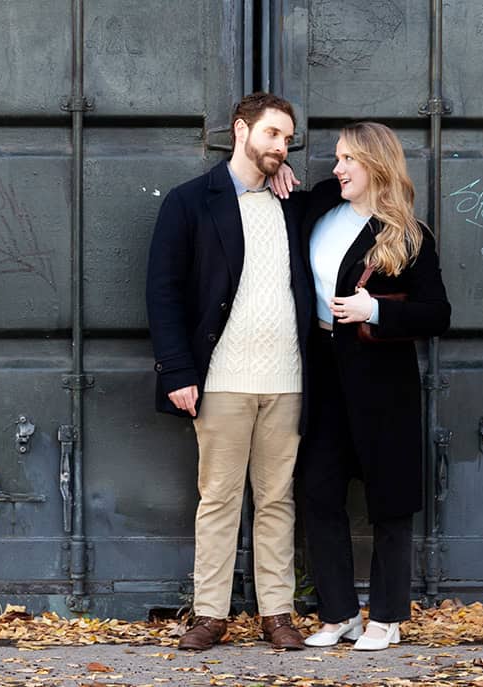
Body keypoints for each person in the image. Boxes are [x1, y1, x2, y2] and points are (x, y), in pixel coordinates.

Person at [272, 122, 450, 651]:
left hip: (382, 381)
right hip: (323, 372)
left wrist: (375, 310)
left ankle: (388, 616)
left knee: (389, 499)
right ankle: (339, 613)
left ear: (374, 164)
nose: (337, 167)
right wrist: (278, 167)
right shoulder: (318, 211)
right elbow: (289, 198)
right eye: (336, 157)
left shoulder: (408, 234)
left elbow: (437, 314)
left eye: (347, 158)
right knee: (318, 491)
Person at [146, 92, 313, 651]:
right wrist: (177, 370)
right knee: (217, 498)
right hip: (220, 378)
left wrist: (283, 169)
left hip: (286, 379)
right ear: (241, 130)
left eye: (288, 140)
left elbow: (355, 186)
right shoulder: (191, 201)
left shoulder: (293, 202)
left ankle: (277, 614)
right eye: (272, 135)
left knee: (278, 499)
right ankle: (212, 615)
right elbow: (163, 293)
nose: (280, 146)